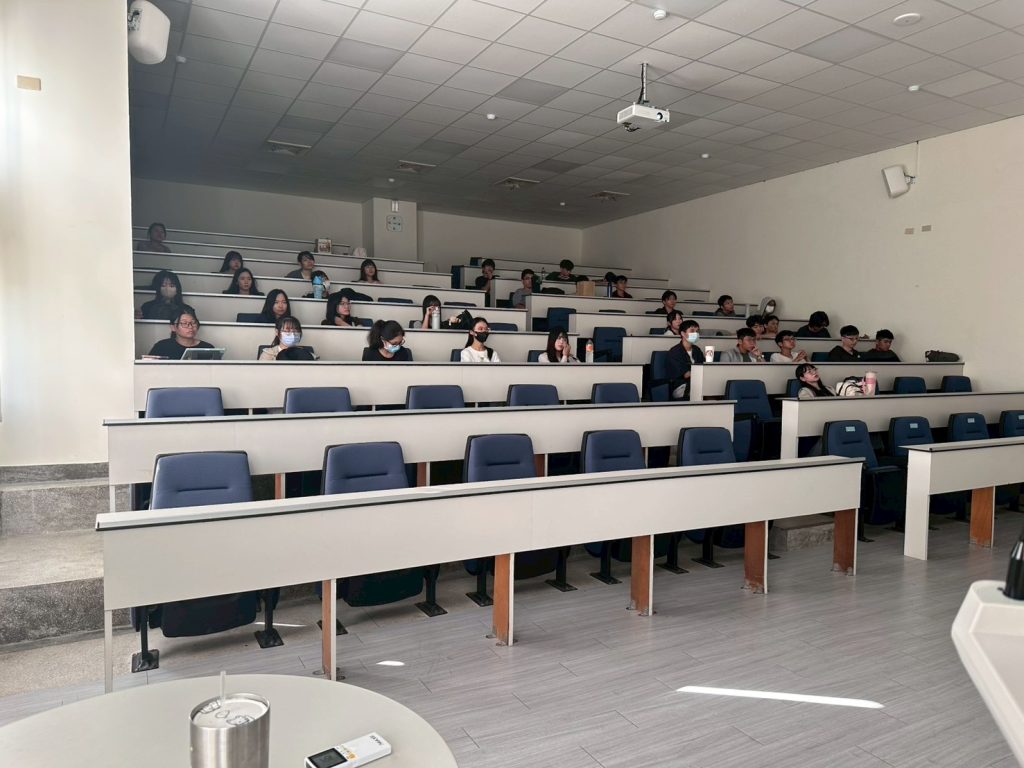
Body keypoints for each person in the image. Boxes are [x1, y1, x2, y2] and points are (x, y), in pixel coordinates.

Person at [146, 307, 214, 359]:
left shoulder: (207, 348)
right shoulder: (161, 347)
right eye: (184, 323)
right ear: (173, 327)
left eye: (193, 323)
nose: (190, 326)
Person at [667, 320, 705, 400]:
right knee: (702, 391)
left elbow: (704, 366)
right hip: (681, 386)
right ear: (683, 333)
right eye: (692, 331)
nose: (696, 334)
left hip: (699, 382)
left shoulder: (697, 350)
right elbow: (686, 374)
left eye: (697, 331)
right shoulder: (675, 351)